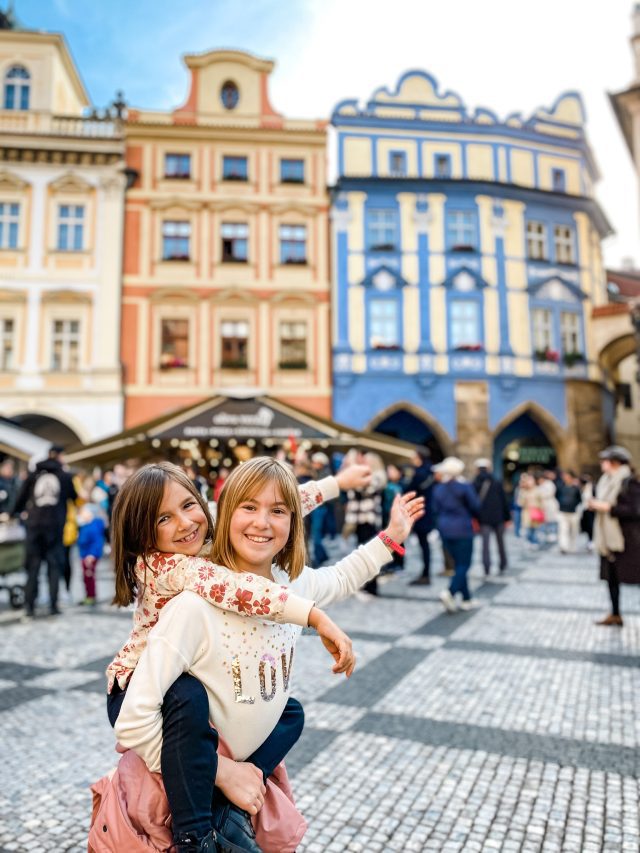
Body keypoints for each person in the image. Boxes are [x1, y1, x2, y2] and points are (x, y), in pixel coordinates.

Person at [114, 457, 423, 852]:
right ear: (226, 513)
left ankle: (234, 804)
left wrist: (390, 534)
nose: (262, 522)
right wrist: (222, 772)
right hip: (174, 798)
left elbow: (341, 574)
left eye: (277, 512)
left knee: (291, 713)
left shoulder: (288, 581)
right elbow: (133, 721)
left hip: (240, 787)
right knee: (187, 698)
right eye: (248, 507)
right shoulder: (195, 600)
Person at [13, 445, 77, 618]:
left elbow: (20, 499)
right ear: (58, 456)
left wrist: (14, 513)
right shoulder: (64, 475)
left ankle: (29, 606)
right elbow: (74, 496)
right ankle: (53, 605)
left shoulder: (34, 474)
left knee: (33, 567)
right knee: (54, 566)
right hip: (55, 527)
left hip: (34, 526)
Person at [590, 446, 637, 627]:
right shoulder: (605, 481)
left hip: (627, 539)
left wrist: (608, 508)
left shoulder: (629, 482)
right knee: (612, 579)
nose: (602, 463)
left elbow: (635, 510)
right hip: (608, 540)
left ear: (615, 462)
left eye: (605, 460)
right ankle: (615, 614)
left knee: (635, 578)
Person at [432, 457, 481, 612]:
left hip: (445, 529)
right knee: (464, 564)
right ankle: (450, 592)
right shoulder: (464, 487)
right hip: (462, 528)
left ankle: (467, 599)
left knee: (458, 564)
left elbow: (435, 508)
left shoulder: (439, 488)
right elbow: (475, 506)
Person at [344, 450, 387, 597]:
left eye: (366, 461)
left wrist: (353, 467)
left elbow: (363, 488)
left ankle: (372, 586)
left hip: (369, 519)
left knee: (370, 554)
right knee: (361, 553)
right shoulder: (367, 475)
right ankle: (365, 584)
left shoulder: (377, 476)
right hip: (359, 519)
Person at [472, 458, 510, 576]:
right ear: (488, 469)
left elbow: (472, 502)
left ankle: (486, 567)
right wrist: (507, 517)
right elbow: (504, 501)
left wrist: (475, 517)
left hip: (483, 519)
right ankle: (503, 564)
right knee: (501, 543)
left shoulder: (474, 483)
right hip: (498, 517)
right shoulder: (496, 482)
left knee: (485, 545)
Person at [406, 449, 435, 586]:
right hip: (428, 511)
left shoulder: (419, 474)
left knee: (424, 545)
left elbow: (410, 490)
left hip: (420, 512)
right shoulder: (430, 472)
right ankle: (426, 573)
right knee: (425, 545)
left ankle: (425, 574)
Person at [77, 503, 106, 606]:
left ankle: (91, 596)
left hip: (90, 556)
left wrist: (92, 554)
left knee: (89, 575)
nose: (81, 514)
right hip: (85, 554)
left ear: (91, 513)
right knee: (86, 576)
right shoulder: (85, 525)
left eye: (84, 512)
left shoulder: (94, 526)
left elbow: (97, 542)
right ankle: (88, 595)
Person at [556, 470, 582, 554]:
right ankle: (563, 546)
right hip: (563, 511)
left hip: (573, 512)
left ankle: (572, 546)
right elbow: (557, 496)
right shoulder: (560, 487)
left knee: (573, 531)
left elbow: (579, 499)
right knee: (563, 529)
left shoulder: (576, 488)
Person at [517, 472, 543, 548]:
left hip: (536, 512)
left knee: (535, 528)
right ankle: (529, 541)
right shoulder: (523, 491)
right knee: (528, 528)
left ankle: (534, 541)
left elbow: (541, 501)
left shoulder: (537, 490)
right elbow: (519, 503)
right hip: (527, 512)